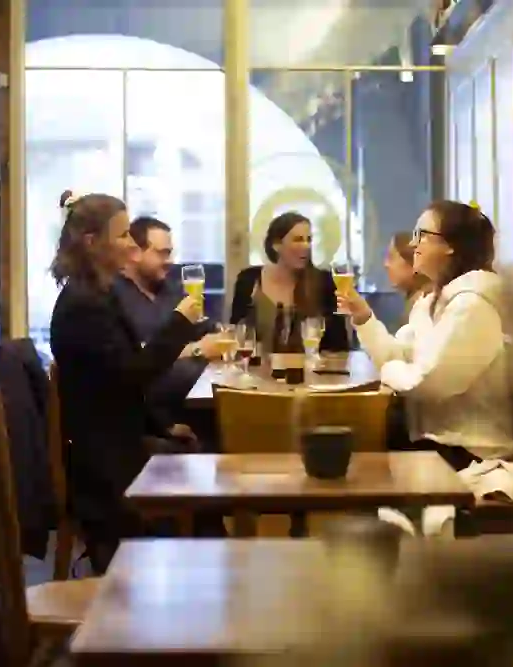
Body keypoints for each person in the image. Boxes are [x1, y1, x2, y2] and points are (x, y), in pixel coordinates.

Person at [48, 190, 212, 573]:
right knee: (204, 474)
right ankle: (193, 578)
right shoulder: (84, 304)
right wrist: (180, 323)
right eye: (123, 235)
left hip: (114, 440)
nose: (130, 245)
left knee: (199, 451)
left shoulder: (96, 294)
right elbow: (133, 375)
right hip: (104, 465)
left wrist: (162, 428)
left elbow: (120, 384)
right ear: (93, 242)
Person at [338, 200, 513, 471]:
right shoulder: (431, 302)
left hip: (469, 450)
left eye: (421, 235)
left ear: (450, 245)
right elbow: (397, 355)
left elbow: (428, 383)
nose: (412, 244)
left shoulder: (473, 305)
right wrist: (364, 317)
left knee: (360, 447)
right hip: (435, 441)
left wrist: (390, 371)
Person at [113, 216, 222, 408]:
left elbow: (207, 331)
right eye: (162, 253)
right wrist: (196, 350)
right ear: (135, 252)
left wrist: (220, 335)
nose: (170, 261)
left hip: (193, 396)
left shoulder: (170, 289)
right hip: (147, 405)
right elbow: (139, 356)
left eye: (170, 253)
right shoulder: (113, 295)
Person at [229, 211, 349, 354]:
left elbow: (339, 346)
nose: (306, 246)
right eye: (298, 240)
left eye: (308, 240)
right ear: (276, 245)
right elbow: (237, 334)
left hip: (310, 366)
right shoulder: (249, 280)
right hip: (258, 365)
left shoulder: (323, 282)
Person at [385, 231, 430, 327]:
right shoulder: (415, 303)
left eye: (391, 257)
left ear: (414, 262)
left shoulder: (424, 308)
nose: (386, 265)